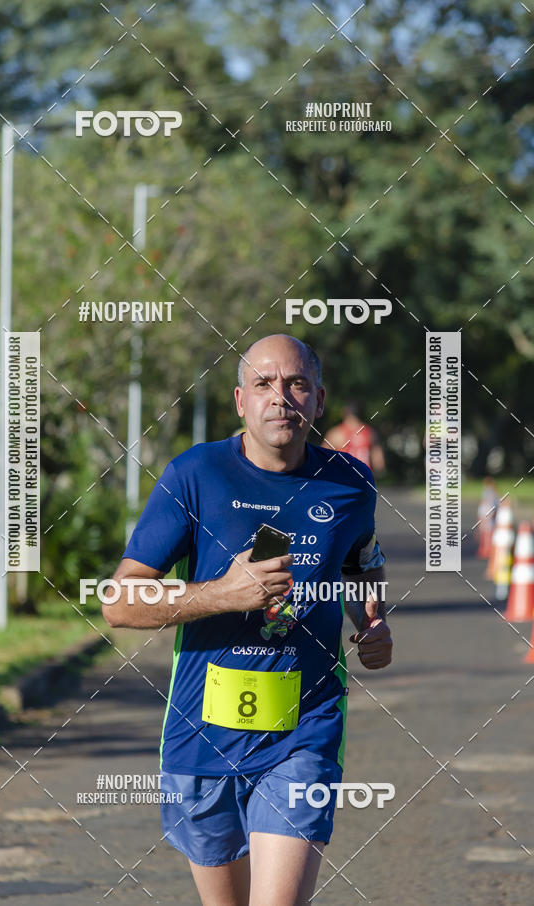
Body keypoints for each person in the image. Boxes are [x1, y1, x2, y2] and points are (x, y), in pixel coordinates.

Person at [103, 334, 392, 906]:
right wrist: (223, 593)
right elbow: (118, 602)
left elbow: (363, 561)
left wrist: (372, 620)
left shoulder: (351, 484)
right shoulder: (195, 475)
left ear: (318, 400)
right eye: (263, 384)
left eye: (296, 384)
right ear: (240, 400)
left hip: (304, 727)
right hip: (201, 733)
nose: (279, 398)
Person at [322, 402, 386, 475]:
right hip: (364, 479)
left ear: (344, 413)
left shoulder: (336, 433)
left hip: (343, 479)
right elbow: (379, 463)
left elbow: (322, 459)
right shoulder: (370, 433)